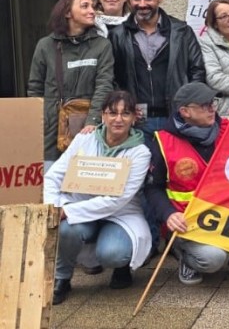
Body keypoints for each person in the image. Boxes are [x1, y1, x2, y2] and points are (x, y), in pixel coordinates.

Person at [144, 82, 229, 285]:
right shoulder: (164, 142)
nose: (212, 109)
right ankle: (184, 254)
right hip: (189, 223)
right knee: (214, 259)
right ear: (185, 112)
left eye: (213, 103)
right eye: (204, 105)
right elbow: (152, 188)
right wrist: (168, 214)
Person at [45, 90, 152, 305]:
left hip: (120, 214)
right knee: (65, 229)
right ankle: (62, 278)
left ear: (134, 118)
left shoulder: (140, 152)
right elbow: (53, 176)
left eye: (125, 114)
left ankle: (121, 267)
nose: (118, 119)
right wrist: (56, 206)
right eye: (112, 113)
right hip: (81, 207)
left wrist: (69, 212)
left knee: (113, 252)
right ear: (102, 115)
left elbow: (117, 200)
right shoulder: (84, 139)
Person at [107, 0, 205, 136]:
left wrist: (188, 104)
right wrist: (125, 105)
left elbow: (197, 71)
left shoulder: (181, 31)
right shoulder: (117, 35)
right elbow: (111, 77)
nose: (142, 4)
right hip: (136, 121)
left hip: (175, 118)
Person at [28, 0, 114, 165]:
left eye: (92, 6)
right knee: (51, 186)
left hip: (89, 129)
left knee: (85, 185)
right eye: (85, 6)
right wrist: (41, 122)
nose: (92, 11)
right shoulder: (45, 46)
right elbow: (35, 89)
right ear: (67, 12)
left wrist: (93, 121)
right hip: (52, 133)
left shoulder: (102, 45)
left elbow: (104, 85)